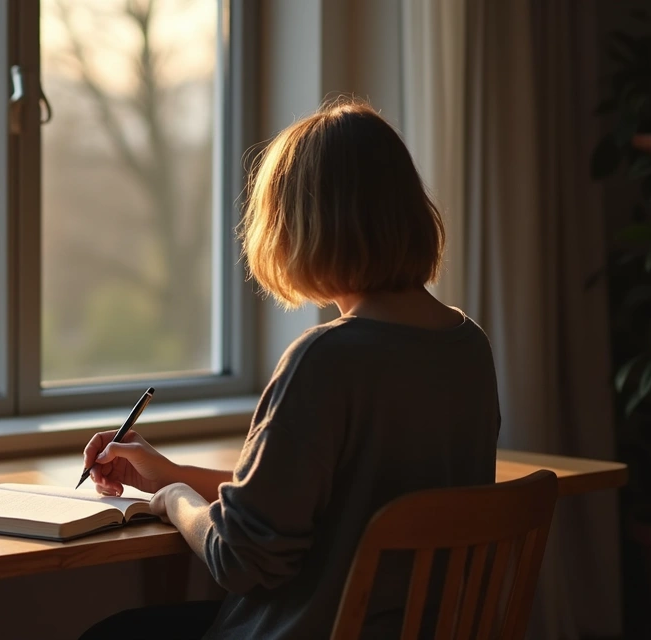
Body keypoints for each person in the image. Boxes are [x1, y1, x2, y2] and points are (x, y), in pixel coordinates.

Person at [78, 98, 500, 639]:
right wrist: (167, 471)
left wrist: (172, 501)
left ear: (300, 225)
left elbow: (241, 560)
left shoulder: (327, 358)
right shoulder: (468, 347)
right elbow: (309, 503)